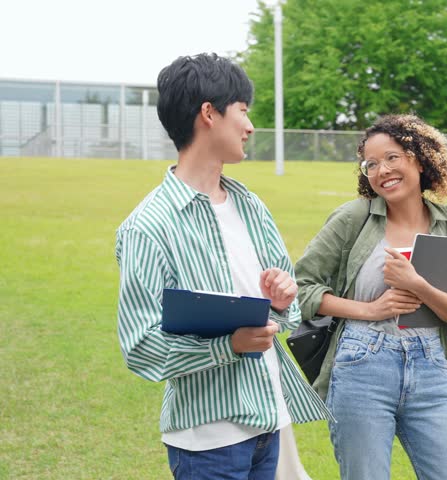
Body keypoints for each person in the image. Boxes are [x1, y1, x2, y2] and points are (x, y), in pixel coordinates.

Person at [115, 53, 328, 479]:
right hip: (208, 442)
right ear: (209, 113)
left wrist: (283, 298)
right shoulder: (148, 226)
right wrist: (227, 345)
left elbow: (289, 312)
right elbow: (140, 346)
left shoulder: (250, 205)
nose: (250, 127)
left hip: (268, 422)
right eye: (243, 112)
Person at [294, 114, 447, 480]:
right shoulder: (354, 217)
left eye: (392, 157)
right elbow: (303, 287)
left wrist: (418, 285)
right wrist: (369, 309)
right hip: (361, 365)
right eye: (371, 164)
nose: (382, 170)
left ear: (419, 156)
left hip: (430, 365)